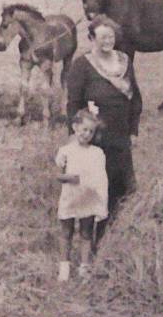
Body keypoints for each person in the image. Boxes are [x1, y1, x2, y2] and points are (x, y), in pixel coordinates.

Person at [66, 15, 142, 240]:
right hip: (95, 135)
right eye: (102, 37)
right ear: (91, 38)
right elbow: (73, 103)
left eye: (111, 36)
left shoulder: (124, 61)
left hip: (121, 132)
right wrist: (75, 134)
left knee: (122, 186)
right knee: (95, 184)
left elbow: (135, 98)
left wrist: (134, 130)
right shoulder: (82, 65)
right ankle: (89, 235)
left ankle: (112, 231)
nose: (108, 41)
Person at [55, 108, 109, 281]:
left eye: (91, 131)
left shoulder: (97, 153)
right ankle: (64, 266)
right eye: (84, 129)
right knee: (66, 232)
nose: (87, 134)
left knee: (86, 232)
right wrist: (70, 177)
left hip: (87, 197)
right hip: (70, 196)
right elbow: (60, 176)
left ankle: (84, 266)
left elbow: (101, 179)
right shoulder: (66, 150)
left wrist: (98, 195)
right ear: (75, 127)